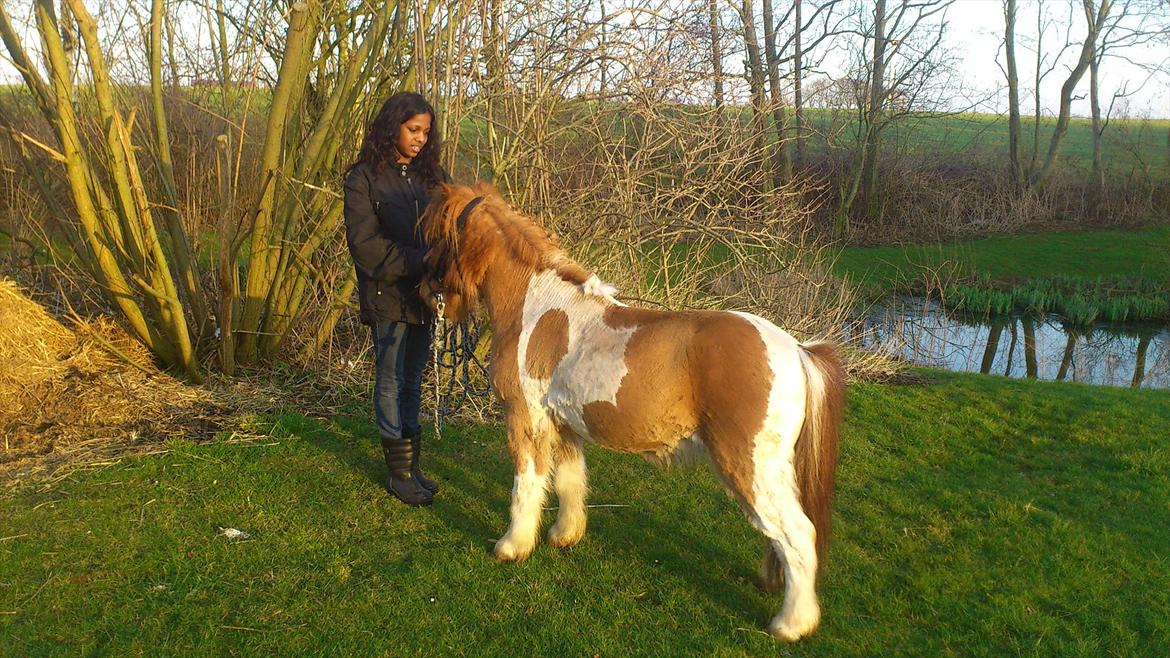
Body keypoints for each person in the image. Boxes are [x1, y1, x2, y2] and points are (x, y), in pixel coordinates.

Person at [343, 92, 448, 506]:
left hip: (424, 295)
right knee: (390, 379)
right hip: (386, 292)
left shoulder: (432, 175)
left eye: (426, 131)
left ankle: (411, 466)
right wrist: (421, 260)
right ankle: (398, 474)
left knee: (412, 377)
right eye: (413, 130)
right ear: (393, 127)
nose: (421, 138)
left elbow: (453, 222)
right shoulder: (364, 178)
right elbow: (365, 246)